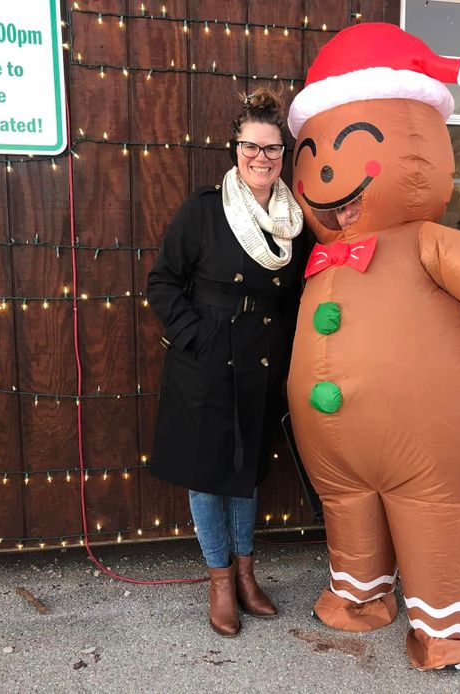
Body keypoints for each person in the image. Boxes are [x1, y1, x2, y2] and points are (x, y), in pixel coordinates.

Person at [146, 89, 306, 637]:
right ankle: (219, 582)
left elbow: (292, 297)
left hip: (260, 357)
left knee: (246, 471)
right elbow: (163, 281)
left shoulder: (293, 222)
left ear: (284, 155)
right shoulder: (204, 209)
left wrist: (284, 352)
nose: (261, 158)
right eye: (251, 147)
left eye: (272, 149)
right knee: (206, 473)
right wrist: (195, 337)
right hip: (206, 356)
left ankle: (246, 575)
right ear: (235, 149)